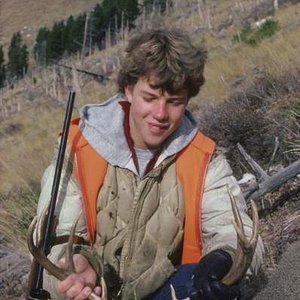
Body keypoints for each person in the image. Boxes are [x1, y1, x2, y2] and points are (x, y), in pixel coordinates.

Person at [34, 28, 264, 300]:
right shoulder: (78, 150)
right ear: (129, 90)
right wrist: (77, 266)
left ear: (188, 100)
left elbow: (236, 234)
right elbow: (51, 242)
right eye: (150, 97)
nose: (160, 114)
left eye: (174, 102)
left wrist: (220, 260)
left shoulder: (203, 160)